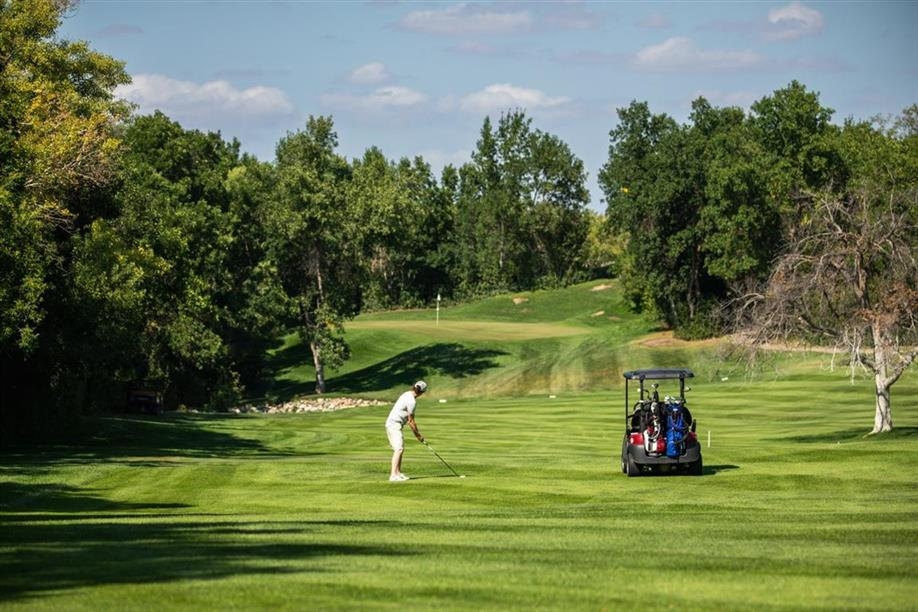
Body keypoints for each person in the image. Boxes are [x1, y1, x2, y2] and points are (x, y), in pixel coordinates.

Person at [385, 381, 427, 482]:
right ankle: (393, 475)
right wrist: (418, 435)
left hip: (394, 424)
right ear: (422, 392)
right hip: (394, 424)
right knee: (399, 449)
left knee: (400, 449)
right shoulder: (412, 401)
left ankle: (398, 473)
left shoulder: (406, 394)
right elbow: (411, 421)